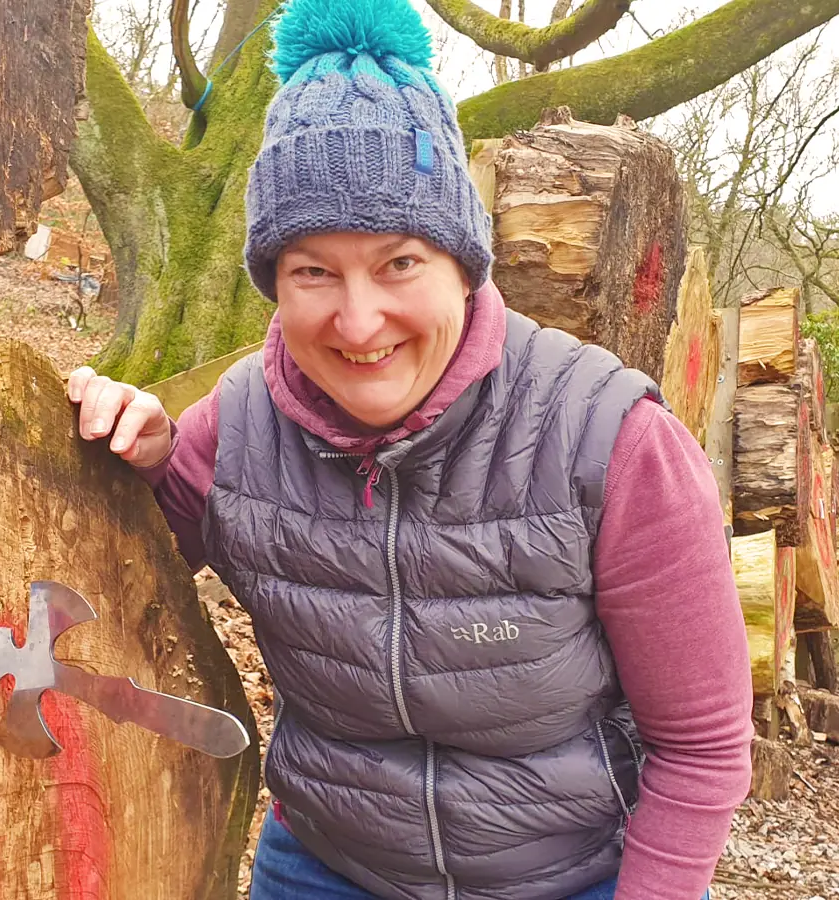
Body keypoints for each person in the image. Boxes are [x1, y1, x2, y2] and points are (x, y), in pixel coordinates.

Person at [67, 0, 754, 897]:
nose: (358, 323)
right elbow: (108, 582)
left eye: (399, 265)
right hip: (325, 864)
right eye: (313, 270)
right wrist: (136, 462)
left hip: (565, 875)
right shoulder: (233, 429)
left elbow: (700, 747)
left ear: (465, 265)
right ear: (273, 279)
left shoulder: (611, 441)